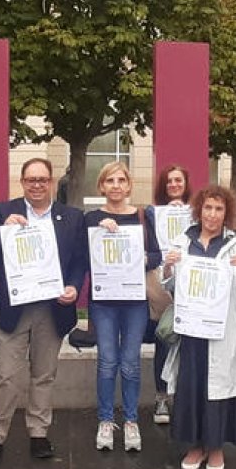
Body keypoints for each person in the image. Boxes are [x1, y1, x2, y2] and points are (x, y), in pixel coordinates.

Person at [0, 157, 87, 463]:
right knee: (5, 375)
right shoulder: (4, 212)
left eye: (42, 180)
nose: (36, 185)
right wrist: (3, 231)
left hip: (52, 308)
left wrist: (75, 287)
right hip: (15, 308)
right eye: (30, 180)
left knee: (44, 374)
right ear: (22, 183)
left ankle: (39, 432)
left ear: (51, 182)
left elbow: (79, 261)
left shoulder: (72, 217)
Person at [161, 185, 236, 469]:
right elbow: (170, 286)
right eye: (207, 208)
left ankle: (215, 448)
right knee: (192, 386)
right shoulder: (183, 241)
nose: (212, 214)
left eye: (218, 209)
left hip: (222, 331)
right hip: (192, 331)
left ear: (226, 213)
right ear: (199, 210)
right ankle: (194, 446)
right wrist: (168, 267)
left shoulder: (234, 245)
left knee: (217, 390)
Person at [85, 162, 161, 452]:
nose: (116, 185)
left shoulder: (142, 218)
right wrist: (98, 233)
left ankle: (130, 421)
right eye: (109, 180)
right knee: (106, 362)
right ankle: (106, 419)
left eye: (121, 180)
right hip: (104, 302)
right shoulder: (91, 218)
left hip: (134, 302)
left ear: (129, 185)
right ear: (101, 186)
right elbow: (83, 255)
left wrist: (143, 259)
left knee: (130, 363)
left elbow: (157, 254)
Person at [143, 164, 191, 426]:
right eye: (169, 181)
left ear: (186, 184)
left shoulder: (197, 211)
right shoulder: (152, 213)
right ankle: (161, 396)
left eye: (178, 180)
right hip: (162, 283)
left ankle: (184, 397)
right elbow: (149, 244)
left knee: (190, 343)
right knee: (165, 336)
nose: (174, 185)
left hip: (192, 282)